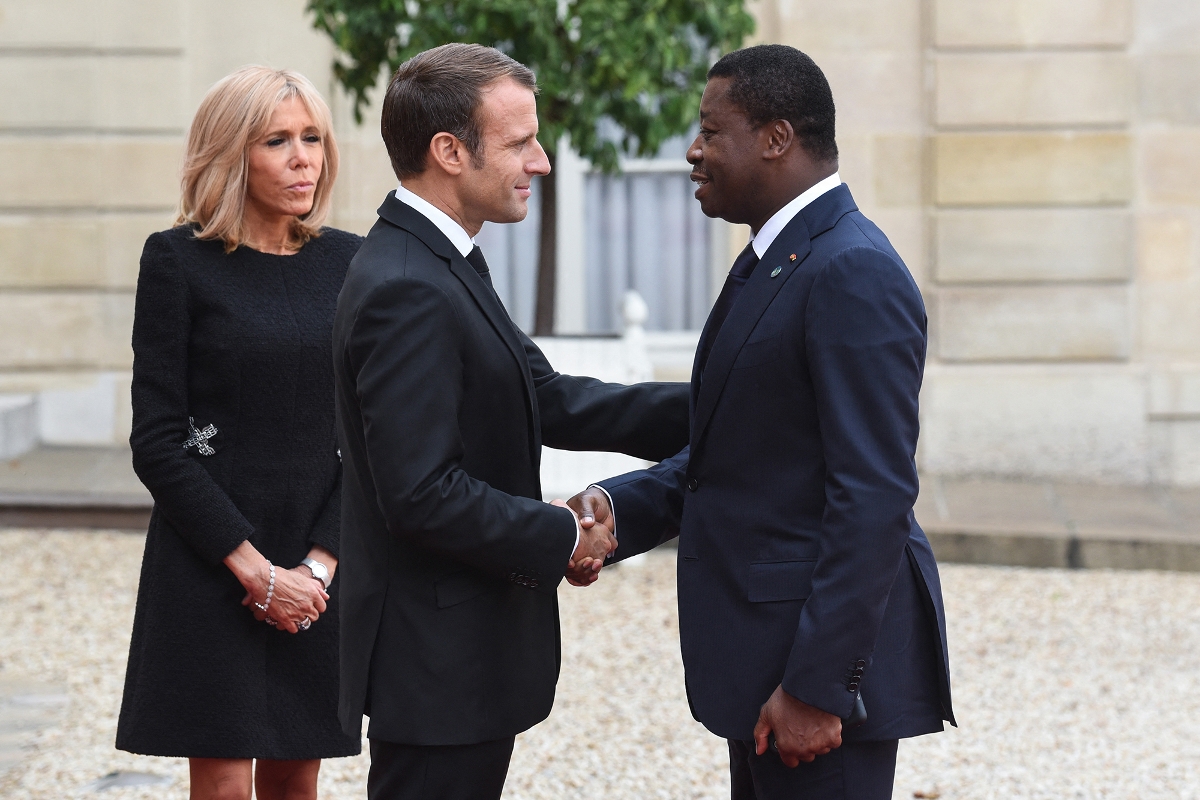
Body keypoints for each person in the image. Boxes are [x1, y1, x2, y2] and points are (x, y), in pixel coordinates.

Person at [569, 45, 956, 799]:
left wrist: (817, 688)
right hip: (760, 669)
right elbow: (736, 453)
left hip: (812, 689)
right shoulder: (776, 261)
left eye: (712, 130)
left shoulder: (851, 270)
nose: (693, 149)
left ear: (776, 138)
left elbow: (872, 497)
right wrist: (620, 507)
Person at [332, 43, 690, 800]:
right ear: (449, 151)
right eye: (522, 141)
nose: (544, 160)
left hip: (462, 662)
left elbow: (549, 397)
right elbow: (420, 492)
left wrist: (728, 406)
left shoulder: (444, 259)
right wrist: (562, 532)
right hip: (436, 667)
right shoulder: (407, 284)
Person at [116, 66, 362, 800]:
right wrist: (255, 572)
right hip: (212, 558)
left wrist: (316, 569)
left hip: (320, 564)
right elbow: (158, 438)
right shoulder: (178, 262)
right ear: (231, 154)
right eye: (278, 140)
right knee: (222, 783)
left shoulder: (351, 264)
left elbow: (372, 432)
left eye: (312, 138)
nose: (303, 159)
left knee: (297, 778)